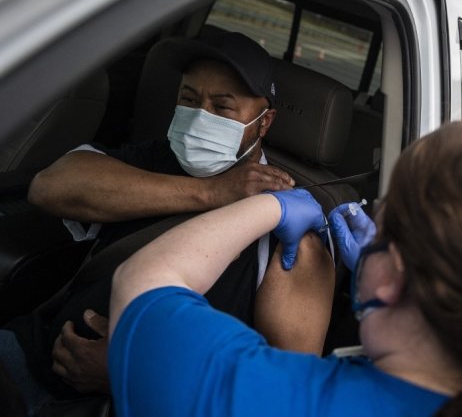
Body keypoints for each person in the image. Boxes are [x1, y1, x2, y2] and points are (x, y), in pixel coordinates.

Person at [107, 118, 462, 416]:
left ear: (393, 272)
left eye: (384, 225)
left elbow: (146, 282)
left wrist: (272, 206)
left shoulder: (268, 401)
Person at [0, 32, 334, 413]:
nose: (199, 118)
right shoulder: (157, 157)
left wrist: (139, 373)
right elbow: (50, 186)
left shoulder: (291, 236)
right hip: (32, 355)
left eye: (223, 108)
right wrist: (210, 192)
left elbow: (287, 391)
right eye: (189, 99)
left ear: (264, 122)